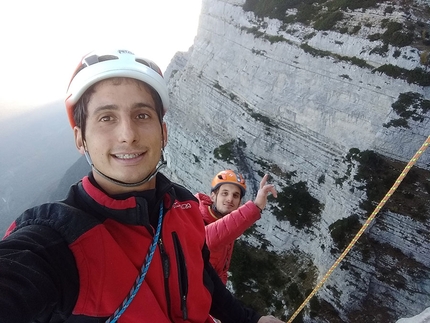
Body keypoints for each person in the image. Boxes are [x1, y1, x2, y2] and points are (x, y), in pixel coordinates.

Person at [0, 49, 284, 323]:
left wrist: (250, 318)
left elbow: (202, 277)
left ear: (163, 132)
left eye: (142, 115)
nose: (128, 135)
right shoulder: (55, 239)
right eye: (106, 118)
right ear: (80, 139)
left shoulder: (184, 206)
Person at [196, 170, 277, 284]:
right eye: (225, 193)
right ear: (213, 197)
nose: (230, 199)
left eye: (235, 195)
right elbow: (206, 241)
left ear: (239, 203)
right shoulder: (195, 216)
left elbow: (222, 269)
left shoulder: (229, 224)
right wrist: (256, 207)